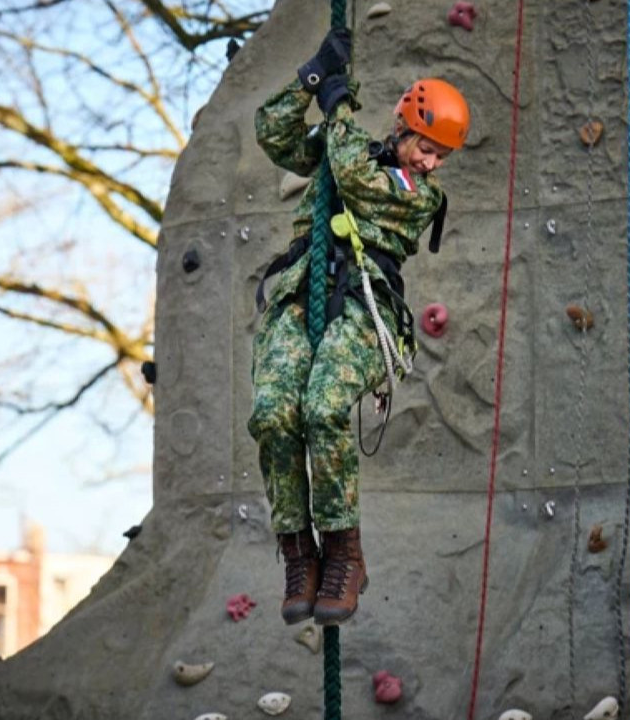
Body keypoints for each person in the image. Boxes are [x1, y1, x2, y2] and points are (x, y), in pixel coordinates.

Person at [249, 27, 469, 626]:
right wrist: (312, 79)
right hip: (303, 291)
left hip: (366, 307)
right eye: (426, 145)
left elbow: (349, 175)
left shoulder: (418, 193)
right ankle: (299, 550)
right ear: (402, 126)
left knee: (323, 405)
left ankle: (344, 552)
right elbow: (274, 133)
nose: (430, 161)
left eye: (440, 156)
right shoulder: (346, 146)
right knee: (273, 413)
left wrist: (340, 102)